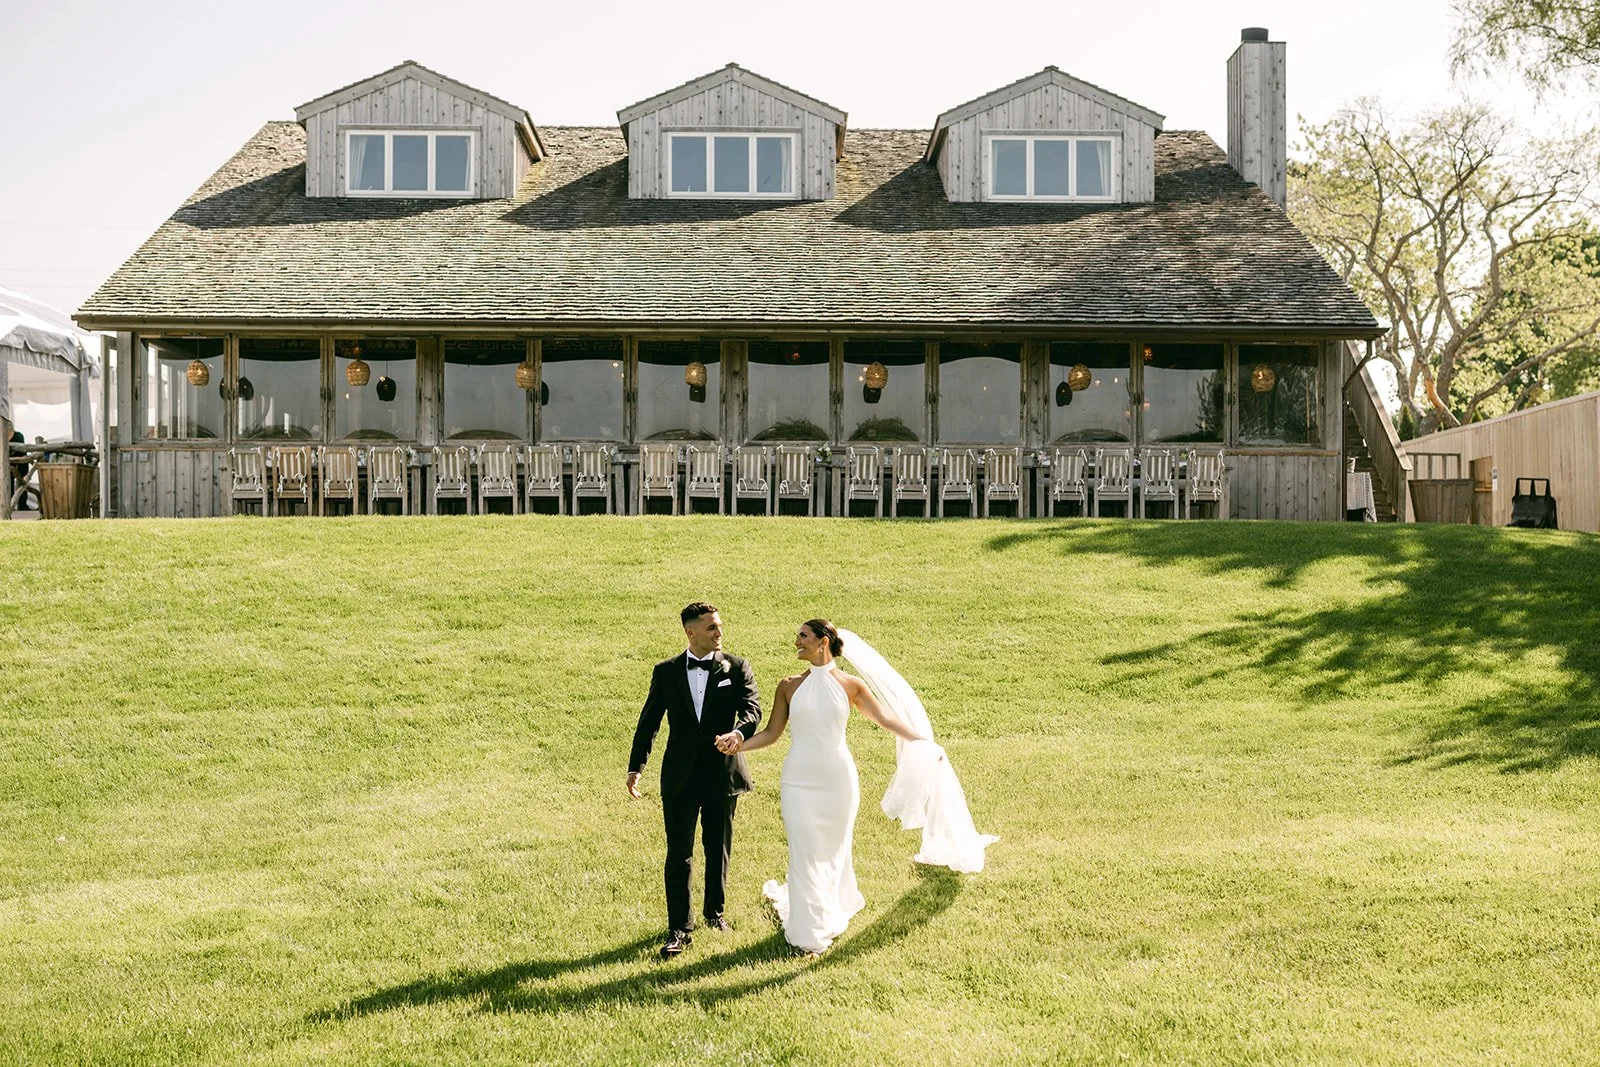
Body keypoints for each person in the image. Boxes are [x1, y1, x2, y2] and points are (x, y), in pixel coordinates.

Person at [725, 619, 970, 957]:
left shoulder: (851, 686)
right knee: (804, 850)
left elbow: (885, 720)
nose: (796, 640)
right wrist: (740, 745)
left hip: (838, 780)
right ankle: (808, 935)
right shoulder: (788, 686)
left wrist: (924, 742)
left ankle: (826, 909)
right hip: (798, 780)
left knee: (833, 850)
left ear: (823, 642)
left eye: (803, 636)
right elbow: (772, 734)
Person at [628, 602, 762, 959]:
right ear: (691, 632)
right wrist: (636, 766)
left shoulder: (737, 667)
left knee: (717, 846)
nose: (719, 633)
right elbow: (649, 720)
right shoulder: (667, 671)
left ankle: (714, 914)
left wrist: (738, 731)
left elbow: (752, 708)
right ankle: (679, 928)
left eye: (719, 626)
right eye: (711, 628)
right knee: (679, 853)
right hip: (680, 776)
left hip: (722, 773)